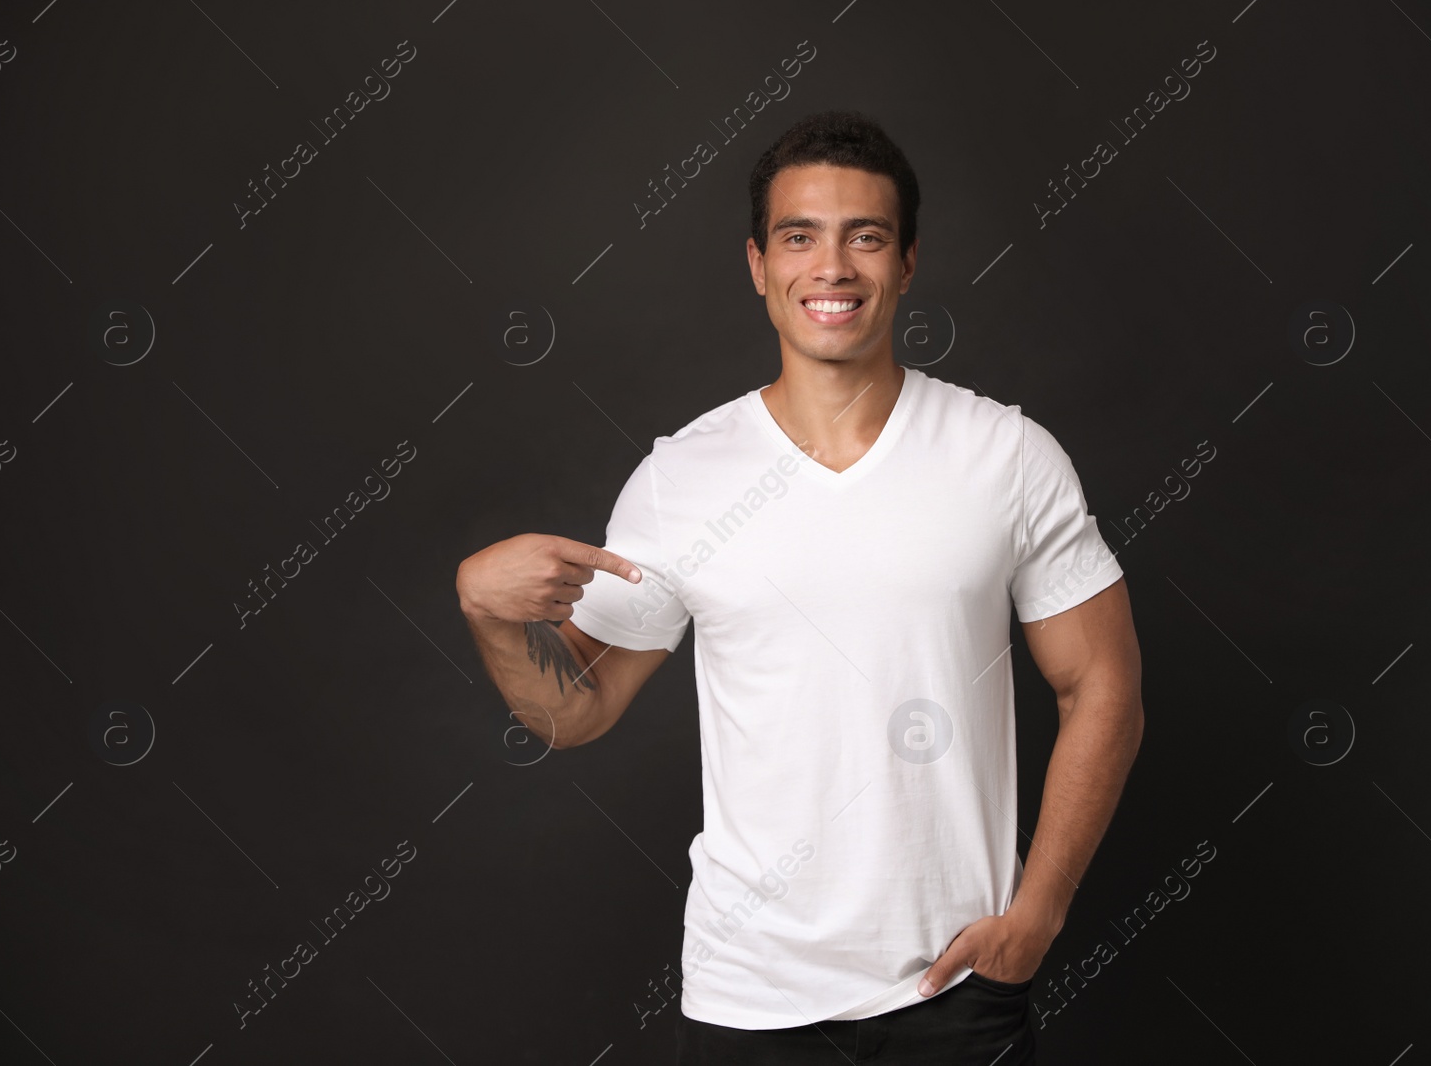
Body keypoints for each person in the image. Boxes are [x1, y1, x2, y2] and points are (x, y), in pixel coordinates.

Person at [456, 110, 1144, 1065]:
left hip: (956, 989)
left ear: (906, 263)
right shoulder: (682, 477)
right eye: (799, 236)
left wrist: (1040, 912)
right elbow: (576, 711)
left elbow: (1102, 684)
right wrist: (487, 613)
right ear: (757, 264)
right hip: (751, 1001)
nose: (833, 266)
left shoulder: (1006, 455)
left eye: (865, 236)